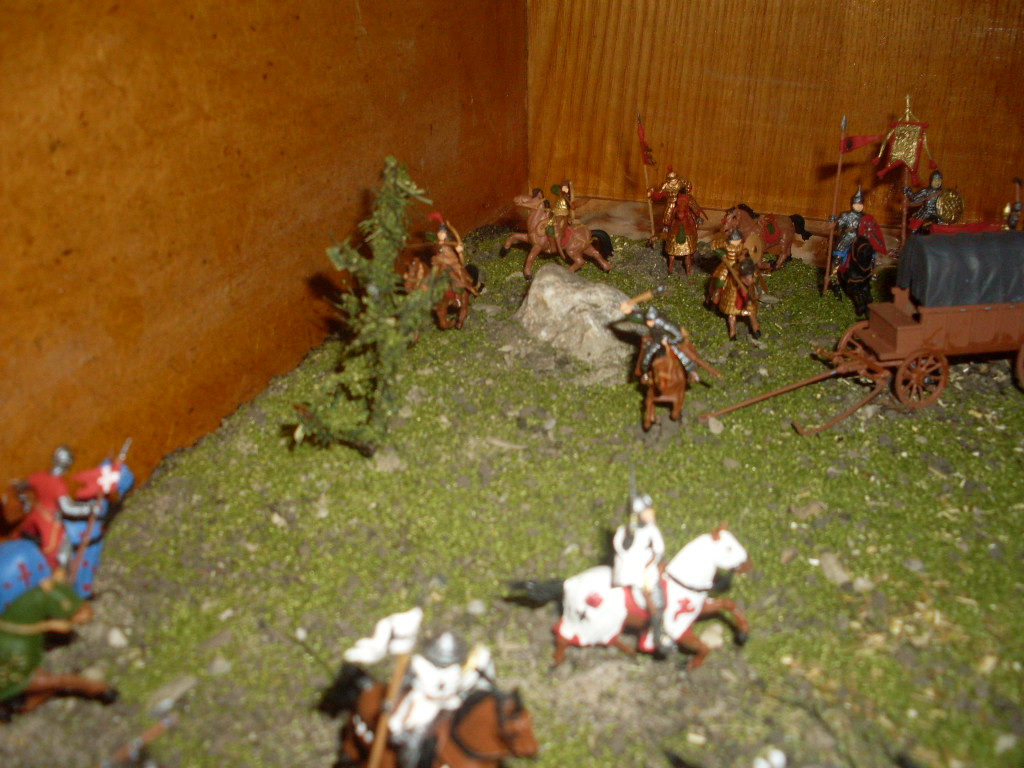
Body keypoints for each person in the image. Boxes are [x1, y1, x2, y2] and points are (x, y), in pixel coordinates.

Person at [389, 631, 495, 768]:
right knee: (414, 736)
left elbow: (472, 684)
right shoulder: (420, 664)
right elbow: (404, 684)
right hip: (425, 703)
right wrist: (393, 701)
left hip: (452, 702)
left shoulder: (460, 669)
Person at [612, 484, 668, 653]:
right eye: (647, 511)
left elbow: (659, 548)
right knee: (655, 598)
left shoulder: (652, 529)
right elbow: (622, 548)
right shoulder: (625, 531)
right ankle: (658, 635)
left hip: (648, 565)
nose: (651, 513)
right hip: (632, 569)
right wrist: (630, 536)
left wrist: (654, 559)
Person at [709, 229, 762, 341]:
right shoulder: (725, 244)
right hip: (727, 266)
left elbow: (748, 252)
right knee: (720, 280)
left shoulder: (743, 246)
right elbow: (714, 246)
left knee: (753, 277)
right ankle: (716, 295)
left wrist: (746, 255)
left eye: (738, 240)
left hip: (741, 266)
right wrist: (721, 254)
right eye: (734, 240)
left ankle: (757, 294)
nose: (736, 242)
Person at [829, 185, 887, 284]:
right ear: (852, 204)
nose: (858, 206)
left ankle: (871, 273)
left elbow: (871, 229)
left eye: (860, 204)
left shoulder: (866, 217)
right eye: (856, 204)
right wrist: (834, 222)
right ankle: (833, 275)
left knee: (872, 254)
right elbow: (838, 227)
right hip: (847, 237)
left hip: (861, 238)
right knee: (838, 255)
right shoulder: (845, 215)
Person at [661, 180, 707, 275]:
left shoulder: (678, 200)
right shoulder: (685, 199)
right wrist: (698, 216)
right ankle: (683, 270)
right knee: (685, 252)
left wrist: (666, 223)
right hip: (682, 225)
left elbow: (669, 213)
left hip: (680, 225)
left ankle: (673, 268)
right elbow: (694, 209)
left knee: (673, 253)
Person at [904, 169, 945, 234]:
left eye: (939, 180)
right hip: (925, 213)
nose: (937, 182)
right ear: (931, 180)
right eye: (935, 180)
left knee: (943, 227)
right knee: (915, 228)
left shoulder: (944, 193)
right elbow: (914, 197)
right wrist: (908, 191)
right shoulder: (925, 191)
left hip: (938, 214)